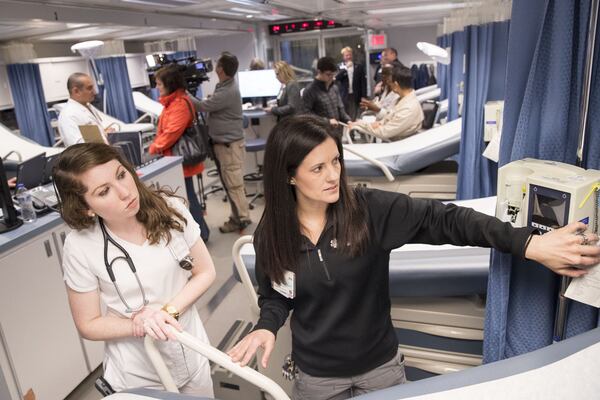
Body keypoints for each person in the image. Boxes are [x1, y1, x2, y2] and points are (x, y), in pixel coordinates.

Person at [227, 115, 599, 400]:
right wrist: (266, 325)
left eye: (336, 161)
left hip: (380, 369)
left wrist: (530, 244)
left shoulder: (368, 209)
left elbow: (450, 220)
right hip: (316, 379)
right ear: (289, 177)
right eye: (318, 168)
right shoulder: (271, 234)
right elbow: (277, 295)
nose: (334, 176)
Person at [54, 143, 216, 395]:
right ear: (86, 206)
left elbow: (205, 272)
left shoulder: (170, 209)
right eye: (104, 191)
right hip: (137, 375)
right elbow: (88, 323)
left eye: (121, 175)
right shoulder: (80, 245)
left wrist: (166, 312)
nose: (124, 191)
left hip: (192, 351)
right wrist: (139, 324)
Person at [148, 65, 210, 242]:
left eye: (160, 84)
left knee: (187, 199)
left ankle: (201, 235)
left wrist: (153, 148)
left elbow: (172, 132)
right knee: (186, 198)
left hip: (180, 159)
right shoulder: (171, 102)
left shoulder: (179, 103)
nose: (158, 87)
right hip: (174, 159)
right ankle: (200, 233)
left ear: (170, 84)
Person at [195, 52, 251, 233]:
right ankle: (238, 217)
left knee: (234, 185)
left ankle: (241, 219)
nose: (214, 68)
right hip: (225, 146)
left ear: (220, 69)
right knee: (231, 184)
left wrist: (184, 94)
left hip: (229, 147)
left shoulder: (227, 90)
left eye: (217, 65)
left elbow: (203, 107)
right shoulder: (225, 86)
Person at [350, 66, 424, 142]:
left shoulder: (408, 108)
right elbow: (389, 116)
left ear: (396, 84)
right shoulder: (401, 99)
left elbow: (384, 132)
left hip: (398, 145)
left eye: (390, 81)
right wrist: (378, 124)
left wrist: (361, 125)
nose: (388, 83)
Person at [58, 72, 116, 147]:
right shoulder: (68, 115)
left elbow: (94, 133)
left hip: (102, 152)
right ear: (76, 91)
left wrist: (104, 133)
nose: (94, 92)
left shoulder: (88, 106)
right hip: (91, 157)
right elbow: (78, 146)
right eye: (89, 88)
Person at [303, 56, 351, 130]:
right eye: (328, 74)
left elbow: (341, 110)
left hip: (337, 133)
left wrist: (349, 121)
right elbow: (306, 115)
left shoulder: (334, 88)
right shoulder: (310, 90)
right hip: (320, 134)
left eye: (333, 74)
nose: (332, 77)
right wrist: (327, 121)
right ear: (319, 72)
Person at [335, 47, 367, 120]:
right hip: (344, 94)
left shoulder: (358, 66)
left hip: (355, 94)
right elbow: (337, 78)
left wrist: (364, 96)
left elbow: (363, 82)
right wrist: (346, 68)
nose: (348, 57)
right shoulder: (339, 66)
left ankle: (353, 127)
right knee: (344, 113)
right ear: (343, 57)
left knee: (355, 113)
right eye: (346, 55)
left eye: (350, 55)